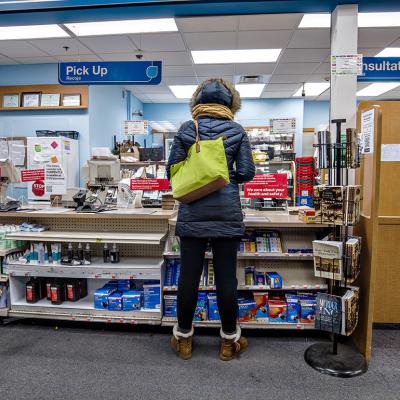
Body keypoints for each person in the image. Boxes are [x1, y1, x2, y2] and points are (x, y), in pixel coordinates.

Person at [166, 78, 255, 361]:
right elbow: (247, 172)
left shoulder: (186, 129)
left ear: (197, 101)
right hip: (226, 214)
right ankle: (229, 341)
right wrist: (223, 177)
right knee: (226, 279)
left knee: (188, 278)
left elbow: (173, 171)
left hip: (192, 210)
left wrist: (198, 174)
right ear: (231, 103)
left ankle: (183, 340)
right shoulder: (237, 131)